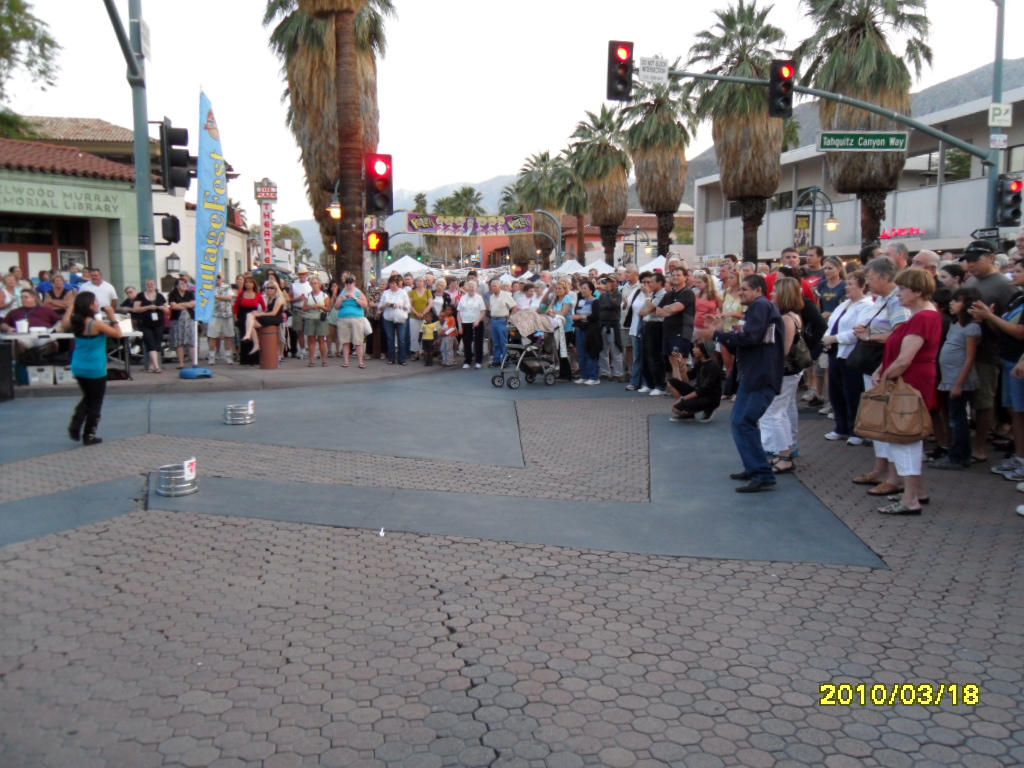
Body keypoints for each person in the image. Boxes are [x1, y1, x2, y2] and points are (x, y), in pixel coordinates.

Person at [697, 274, 785, 493]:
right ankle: (754, 467)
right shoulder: (760, 308)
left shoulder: (760, 307)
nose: (741, 292)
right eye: (740, 289)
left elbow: (750, 338)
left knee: (743, 421)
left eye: (745, 289)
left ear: (758, 290)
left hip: (760, 375)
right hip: (754, 375)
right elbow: (750, 338)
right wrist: (721, 332)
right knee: (740, 421)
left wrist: (717, 335)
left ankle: (761, 473)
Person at [868, 268, 942, 515]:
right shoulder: (921, 315)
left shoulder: (923, 318)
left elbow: (905, 359)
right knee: (906, 436)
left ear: (918, 291)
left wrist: (885, 377)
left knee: (905, 437)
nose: (898, 293)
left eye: (902, 289)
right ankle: (916, 491)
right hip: (910, 379)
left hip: (910, 381)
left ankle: (910, 499)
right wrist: (883, 369)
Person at [850, 257, 914, 494]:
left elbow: (900, 335)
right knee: (877, 418)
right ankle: (880, 470)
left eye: (870, 278)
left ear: (886, 277)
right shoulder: (885, 300)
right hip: (877, 366)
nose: (867, 283)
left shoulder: (897, 301)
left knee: (886, 421)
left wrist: (869, 337)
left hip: (885, 366)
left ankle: (893, 477)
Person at [969, 258, 1024, 480]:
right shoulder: (1017, 297)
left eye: (1018, 270)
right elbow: (1003, 327)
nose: (1012, 273)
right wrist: (986, 316)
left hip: (1018, 361)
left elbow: (1020, 331)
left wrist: (990, 316)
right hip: (1008, 358)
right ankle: (1020, 456)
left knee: (1020, 413)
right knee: (1014, 412)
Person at [927, 287, 983, 470]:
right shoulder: (953, 324)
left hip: (958, 379)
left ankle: (958, 457)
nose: (951, 304)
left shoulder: (972, 327)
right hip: (949, 377)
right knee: (954, 418)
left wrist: (959, 384)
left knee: (958, 420)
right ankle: (958, 454)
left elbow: (970, 357)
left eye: (956, 301)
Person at [819, 270, 874, 444]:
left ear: (862, 286)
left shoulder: (867, 305)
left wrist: (835, 338)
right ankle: (840, 427)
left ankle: (856, 431)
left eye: (851, 284)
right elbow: (832, 323)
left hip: (851, 353)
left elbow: (858, 330)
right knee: (836, 393)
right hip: (835, 352)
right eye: (847, 283)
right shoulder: (844, 304)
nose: (847, 287)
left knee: (852, 393)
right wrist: (827, 338)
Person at [758, 277, 807, 474]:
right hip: (789, 372)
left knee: (774, 413)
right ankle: (784, 451)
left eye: (775, 291)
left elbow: (783, 350)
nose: (772, 294)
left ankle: (784, 454)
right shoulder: (793, 316)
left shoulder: (787, 318)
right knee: (782, 411)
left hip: (784, 372)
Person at [62, 291, 122, 446]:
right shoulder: (95, 324)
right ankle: (89, 434)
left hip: (79, 365)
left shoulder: (76, 321)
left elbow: (63, 324)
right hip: (95, 368)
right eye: (95, 301)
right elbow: (118, 334)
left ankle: (76, 424)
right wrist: (112, 315)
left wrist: (71, 306)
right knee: (95, 401)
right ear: (89, 305)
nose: (98, 303)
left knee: (88, 397)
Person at [655, 267, 696, 390]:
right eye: (673, 275)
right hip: (668, 331)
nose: (675, 277)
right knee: (672, 360)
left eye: (679, 275)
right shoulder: (669, 294)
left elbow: (676, 308)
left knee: (680, 360)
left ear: (685, 277)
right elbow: (657, 311)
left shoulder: (688, 293)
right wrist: (669, 310)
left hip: (682, 330)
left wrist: (668, 309)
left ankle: (684, 387)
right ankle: (678, 386)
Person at [667, 340, 722, 423]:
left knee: (676, 409)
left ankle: (709, 408)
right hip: (700, 393)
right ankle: (687, 412)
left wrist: (682, 399)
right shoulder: (700, 363)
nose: (693, 349)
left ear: (704, 350)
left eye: (696, 347)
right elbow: (686, 378)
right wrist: (681, 363)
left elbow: (702, 390)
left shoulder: (713, 366)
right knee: (671, 382)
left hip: (710, 398)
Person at [132, 278, 169, 373]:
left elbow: (167, 309)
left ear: (155, 285)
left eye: (152, 284)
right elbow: (136, 309)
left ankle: (151, 366)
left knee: (157, 343)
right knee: (150, 342)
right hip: (145, 323)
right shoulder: (140, 295)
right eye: (148, 284)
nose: (150, 285)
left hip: (159, 323)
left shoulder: (160, 296)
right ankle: (156, 366)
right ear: (145, 285)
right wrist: (148, 307)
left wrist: (162, 308)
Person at [640, 272, 668, 393]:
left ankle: (660, 385)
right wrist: (648, 306)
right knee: (646, 356)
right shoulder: (652, 295)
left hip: (657, 326)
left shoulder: (663, 295)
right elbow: (642, 311)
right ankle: (650, 383)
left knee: (655, 356)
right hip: (647, 325)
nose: (649, 284)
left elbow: (652, 310)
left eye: (652, 282)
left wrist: (647, 296)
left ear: (660, 283)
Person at [243, 279, 285, 356]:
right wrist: (258, 313)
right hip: (268, 317)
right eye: (267, 287)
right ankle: (255, 344)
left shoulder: (279, 299)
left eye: (271, 288)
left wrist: (260, 314)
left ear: (276, 289)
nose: (269, 289)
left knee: (251, 318)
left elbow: (274, 313)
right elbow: (266, 311)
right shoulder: (268, 298)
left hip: (275, 318)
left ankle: (248, 335)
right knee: (250, 317)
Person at [334, 276, 369, 368]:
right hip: (343, 318)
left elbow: (365, 304)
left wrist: (355, 298)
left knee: (358, 341)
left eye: (350, 283)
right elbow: (336, 307)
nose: (349, 285)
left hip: (356, 318)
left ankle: (361, 362)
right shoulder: (342, 293)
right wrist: (342, 299)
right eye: (347, 283)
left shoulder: (358, 292)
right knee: (345, 341)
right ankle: (346, 361)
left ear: (354, 284)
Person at [594, 276, 624, 381]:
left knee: (615, 349)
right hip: (603, 323)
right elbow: (600, 306)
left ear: (616, 283)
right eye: (608, 282)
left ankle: (618, 372)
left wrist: (609, 295)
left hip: (613, 324)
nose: (610, 284)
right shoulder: (602, 295)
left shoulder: (618, 294)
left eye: (612, 282)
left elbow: (613, 305)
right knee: (603, 350)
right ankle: (604, 371)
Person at [571, 280, 600, 385]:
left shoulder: (595, 301)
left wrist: (582, 317)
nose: (582, 290)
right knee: (581, 353)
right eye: (582, 288)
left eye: (585, 288)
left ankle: (594, 376)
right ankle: (584, 375)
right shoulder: (580, 301)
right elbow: (576, 312)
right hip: (580, 328)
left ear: (591, 290)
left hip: (590, 330)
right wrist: (576, 318)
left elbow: (596, 316)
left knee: (590, 352)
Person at [379, 274, 412, 365]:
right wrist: (386, 305)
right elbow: (380, 306)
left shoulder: (403, 292)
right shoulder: (386, 293)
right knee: (390, 339)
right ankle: (391, 358)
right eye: (390, 283)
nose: (392, 285)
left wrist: (400, 305)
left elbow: (408, 306)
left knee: (401, 339)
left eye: (393, 283)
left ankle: (402, 358)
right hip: (388, 318)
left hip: (401, 318)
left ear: (397, 284)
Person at [234, 275, 265, 366]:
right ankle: (245, 360)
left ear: (254, 284)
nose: (248, 284)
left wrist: (259, 314)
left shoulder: (258, 295)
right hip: (242, 317)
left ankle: (254, 360)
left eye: (250, 282)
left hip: (253, 316)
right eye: (247, 282)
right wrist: (236, 317)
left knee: (252, 337)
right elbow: (236, 307)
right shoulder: (241, 294)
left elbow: (264, 307)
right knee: (244, 338)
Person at [166, 277, 196, 369]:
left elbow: (193, 304)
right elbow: (174, 307)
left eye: (185, 283)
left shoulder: (190, 294)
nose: (184, 285)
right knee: (179, 342)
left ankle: (194, 363)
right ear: (177, 286)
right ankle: (181, 363)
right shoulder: (172, 294)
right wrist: (187, 304)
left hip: (189, 319)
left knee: (191, 341)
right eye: (182, 284)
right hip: (177, 320)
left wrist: (181, 304)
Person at [206, 274, 236, 365]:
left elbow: (230, 297)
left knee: (228, 335)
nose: (218, 280)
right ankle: (212, 356)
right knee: (213, 336)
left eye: (219, 278)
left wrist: (218, 297)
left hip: (227, 314)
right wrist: (221, 297)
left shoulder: (226, 286)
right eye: (216, 278)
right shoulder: (210, 287)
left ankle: (227, 356)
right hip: (214, 314)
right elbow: (208, 299)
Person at [302, 276, 331, 367]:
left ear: (319, 284)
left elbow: (327, 308)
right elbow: (303, 308)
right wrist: (311, 307)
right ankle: (312, 360)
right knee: (311, 340)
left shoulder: (324, 295)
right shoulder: (308, 295)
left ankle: (324, 360)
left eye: (316, 283)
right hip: (310, 318)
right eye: (313, 283)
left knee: (321, 339)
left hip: (320, 319)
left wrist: (320, 307)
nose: (314, 284)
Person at [487, 278, 516, 367]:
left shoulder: (506, 295)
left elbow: (514, 306)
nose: (493, 288)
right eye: (492, 286)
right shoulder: (492, 297)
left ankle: (505, 360)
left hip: (502, 320)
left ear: (500, 286)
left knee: (503, 342)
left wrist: (511, 317)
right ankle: (496, 360)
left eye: (495, 286)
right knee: (496, 341)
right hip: (494, 320)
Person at [457, 280, 487, 369]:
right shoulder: (463, 298)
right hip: (465, 322)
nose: (471, 288)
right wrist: (459, 325)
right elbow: (459, 312)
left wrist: (478, 320)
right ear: (467, 288)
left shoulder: (479, 298)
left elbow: (483, 311)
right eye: (469, 286)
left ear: (476, 288)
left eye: (473, 286)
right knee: (467, 342)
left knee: (478, 342)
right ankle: (467, 360)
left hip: (477, 322)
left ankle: (478, 361)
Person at [290, 266, 313, 359]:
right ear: (298, 275)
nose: (302, 275)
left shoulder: (310, 285)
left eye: (304, 274)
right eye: (301, 274)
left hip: (308, 310)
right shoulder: (294, 285)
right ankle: (303, 350)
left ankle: (311, 350)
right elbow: (289, 299)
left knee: (310, 332)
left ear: (307, 274)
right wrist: (297, 299)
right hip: (297, 310)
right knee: (300, 331)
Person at [408, 277, 433, 362]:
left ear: (424, 282)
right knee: (414, 335)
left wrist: (423, 313)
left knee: (425, 335)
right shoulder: (412, 292)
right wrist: (416, 313)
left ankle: (424, 352)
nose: (418, 283)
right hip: (414, 316)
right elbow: (410, 305)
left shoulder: (427, 292)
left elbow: (430, 304)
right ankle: (416, 353)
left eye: (420, 281)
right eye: (417, 281)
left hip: (425, 317)